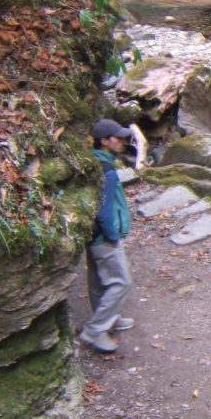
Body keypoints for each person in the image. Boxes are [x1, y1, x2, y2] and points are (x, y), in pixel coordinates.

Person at [80, 118, 137, 354]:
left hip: (91, 235)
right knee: (121, 282)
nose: (123, 142)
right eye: (118, 138)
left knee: (99, 280)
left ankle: (109, 318)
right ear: (104, 141)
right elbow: (104, 210)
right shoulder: (108, 172)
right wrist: (113, 235)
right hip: (105, 237)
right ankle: (95, 332)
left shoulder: (92, 162)